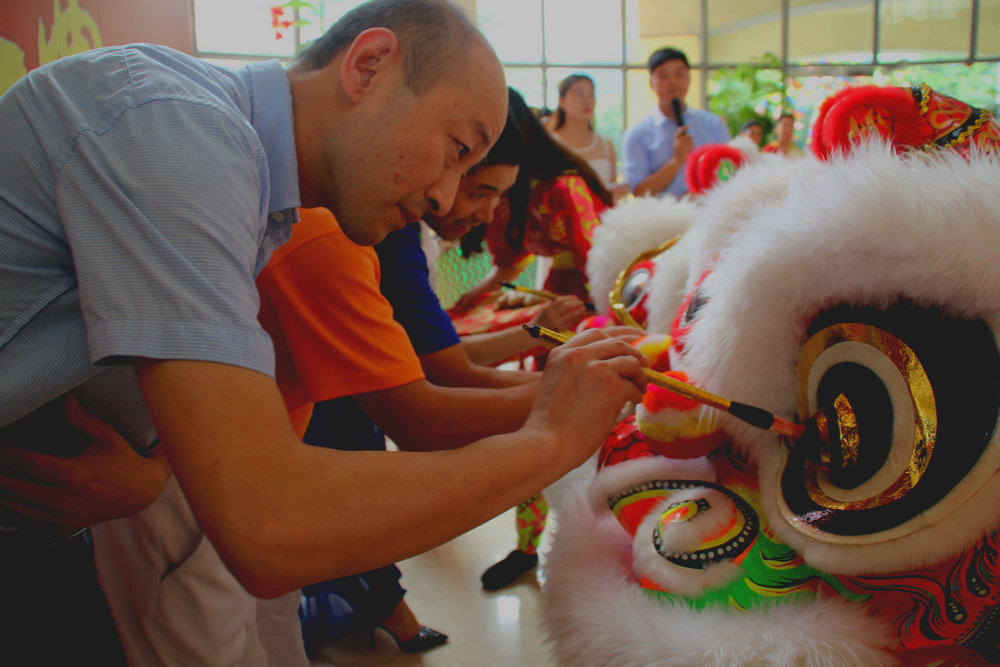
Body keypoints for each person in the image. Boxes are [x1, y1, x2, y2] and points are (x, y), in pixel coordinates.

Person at [0, 1, 649, 664]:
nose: (448, 201)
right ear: (369, 66)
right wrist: (552, 437)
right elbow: (270, 522)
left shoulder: (256, 192)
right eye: (456, 150)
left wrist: (154, 471)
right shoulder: (178, 130)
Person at [623, 47, 731, 199]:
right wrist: (677, 160)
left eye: (679, 74)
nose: (673, 82)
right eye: (663, 76)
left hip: (709, 215)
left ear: (689, 78)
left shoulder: (714, 125)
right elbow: (639, 193)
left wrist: (698, 193)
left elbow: (730, 173)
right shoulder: (637, 134)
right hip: (661, 219)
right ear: (651, 83)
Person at [548, 73, 630, 202]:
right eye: (579, 94)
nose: (587, 101)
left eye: (591, 94)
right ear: (562, 101)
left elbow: (612, 195)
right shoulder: (551, 143)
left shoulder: (606, 144)